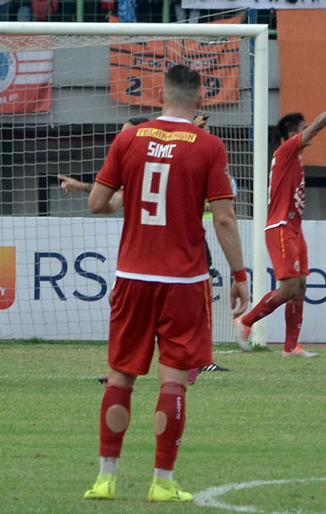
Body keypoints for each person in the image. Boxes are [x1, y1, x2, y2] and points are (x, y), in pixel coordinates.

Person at [83, 65, 249, 503]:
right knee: (173, 381)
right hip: (183, 280)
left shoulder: (129, 139)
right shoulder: (210, 146)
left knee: (120, 378)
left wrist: (128, 195)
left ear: (161, 94)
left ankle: (105, 479)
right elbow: (226, 218)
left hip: (133, 276)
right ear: (200, 100)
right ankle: (162, 481)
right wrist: (240, 275)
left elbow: (97, 202)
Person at [235, 74, 326, 357]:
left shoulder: (293, 159)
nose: (309, 133)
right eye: (303, 129)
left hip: (293, 227)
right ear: (293, 135)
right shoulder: (288, 149)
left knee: (300, 286)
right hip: (279, 226)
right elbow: (318, 125)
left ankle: (290, 347)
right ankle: (246, 321)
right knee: (289, 288)